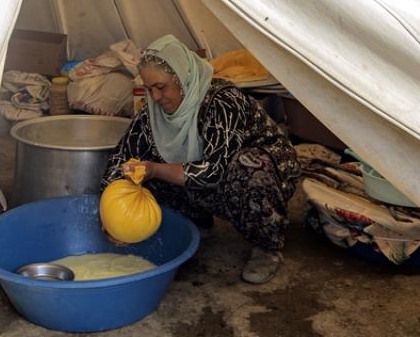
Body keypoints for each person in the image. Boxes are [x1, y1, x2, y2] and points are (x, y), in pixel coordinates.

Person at [101, 35, 300, 284]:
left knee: (248, 168)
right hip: (204, 179)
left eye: (161, 87)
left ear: (182, 78)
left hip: (263, 171)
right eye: (149, 88)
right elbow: (120, 158)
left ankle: (266, 247)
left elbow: (212, 172)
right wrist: (111, 213)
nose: (155, 97)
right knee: (140, 168)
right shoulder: (151, 115)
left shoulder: (223, 102)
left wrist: (153, 170)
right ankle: (195, 222)